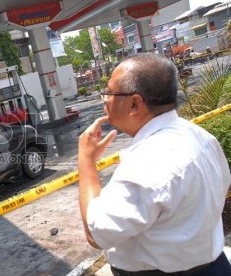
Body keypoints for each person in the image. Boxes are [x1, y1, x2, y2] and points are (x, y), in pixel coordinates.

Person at [77, 53, 231, 275]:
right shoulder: (200, 136)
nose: (104, 100)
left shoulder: (148, 163)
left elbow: (96, 233)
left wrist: (86, 161)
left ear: (134, 103)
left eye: (108, 93)